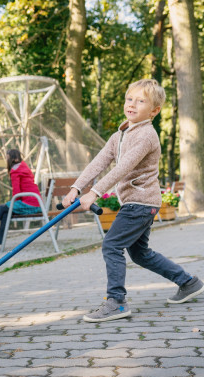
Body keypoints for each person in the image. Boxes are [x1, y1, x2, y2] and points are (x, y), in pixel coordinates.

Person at [62, 78, 202, 322]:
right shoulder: (122, 132)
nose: (132, 104)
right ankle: (188, 283)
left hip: (141, 202)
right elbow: (100, 161)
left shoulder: (146, 135)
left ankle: (116, 302)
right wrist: (76, 187)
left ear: (154, 110)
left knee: (112, 245)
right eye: (130, 99)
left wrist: (94, 192)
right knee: (140, 254)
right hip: (135, 202)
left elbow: (123, 168)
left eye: (141, 101)